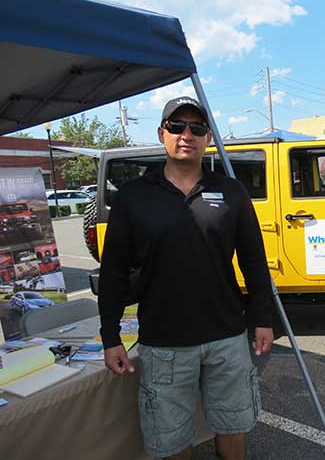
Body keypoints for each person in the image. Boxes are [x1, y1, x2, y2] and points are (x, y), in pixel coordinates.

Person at [98, 96, 275, 460]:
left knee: (233, 426)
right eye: (177, 126)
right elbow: (114, 271)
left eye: (196, 128)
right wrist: (110, 337)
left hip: (227, 336)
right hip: (164, 342)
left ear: (207, 138)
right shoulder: (133, 197)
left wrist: (263, 318)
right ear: (161, 133)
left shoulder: (231, 191)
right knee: (172, 440)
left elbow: (254, 260)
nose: (186, 134)